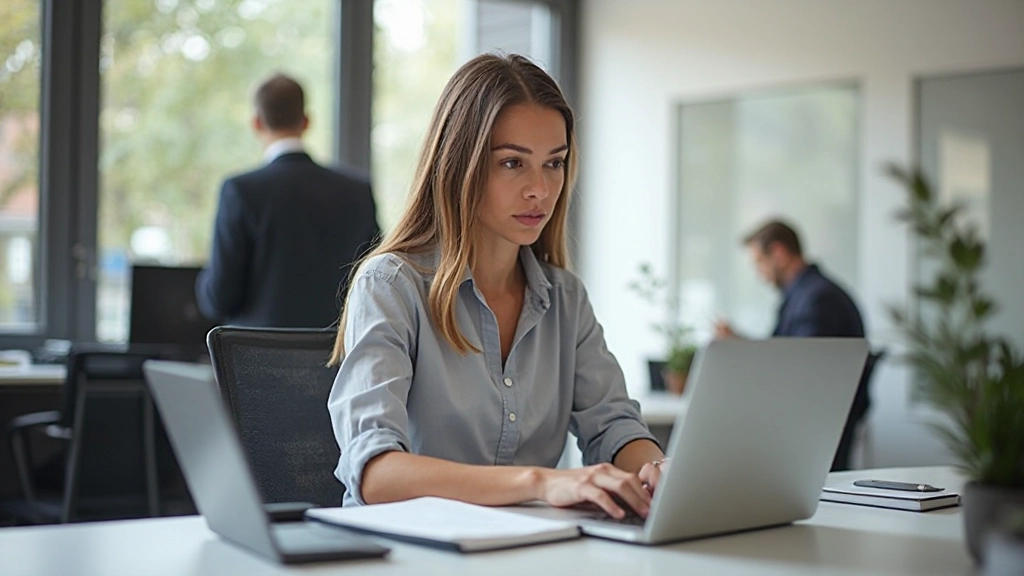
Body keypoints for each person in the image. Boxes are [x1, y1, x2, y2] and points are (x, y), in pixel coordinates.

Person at [327, 54, 666, 519]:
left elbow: (614, 427)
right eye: (512, 163)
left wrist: (658, 470)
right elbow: (375, 474)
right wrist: (540, 482)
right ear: (458, 164)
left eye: (554, 163)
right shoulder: (391, 285)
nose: (540, 190)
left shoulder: (565, 298)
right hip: (408, 551)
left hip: (524, 552)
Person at [196, 73, 380, 328]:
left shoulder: (241, 191)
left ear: (257, 122)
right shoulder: (357, 192)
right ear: (306, 121)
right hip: (340, 358)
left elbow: (220, 298)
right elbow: (376, 280)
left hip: (257, 361)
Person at [714, 219, 868, 470]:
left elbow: (797, 371)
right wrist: (738, 343)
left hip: (817, 430)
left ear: (778, 253)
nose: (759, 275)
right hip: (815, 423)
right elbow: (786, 354)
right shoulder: (806, 295)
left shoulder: (818, 300)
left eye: (759, 263)